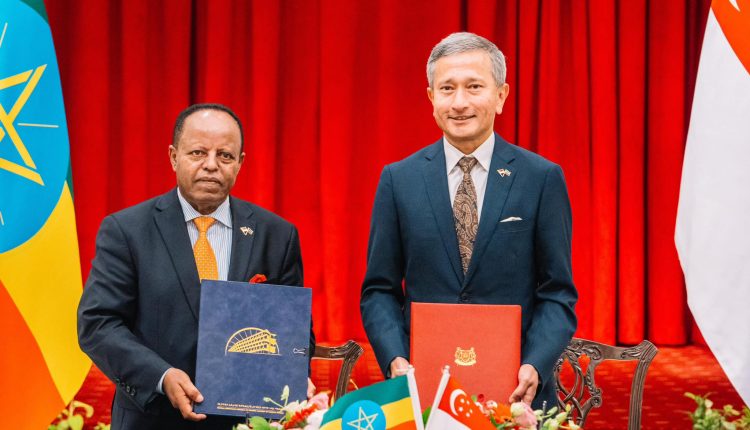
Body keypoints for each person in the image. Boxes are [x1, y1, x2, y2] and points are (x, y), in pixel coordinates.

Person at [360, 32, 577, 409]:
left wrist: (535, 364)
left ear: (501, 96)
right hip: (424, 391)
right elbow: (379, 289)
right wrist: (394, 357)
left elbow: (557, 292)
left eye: (474, 86)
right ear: (431, 98)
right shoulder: (399, 180)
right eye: (447, 88)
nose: (459, 102)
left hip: (516, 394)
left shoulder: (541, 178)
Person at [78, 103, 315, 429]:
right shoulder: (127, 230)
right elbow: (98, 324)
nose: (211, 165)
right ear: (174, 157)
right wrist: (162, 376)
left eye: (225, 156)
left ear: (240, 163)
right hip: (153, 419)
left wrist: (294, 371)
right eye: (198, 153)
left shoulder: (276, 235)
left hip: (246, 422)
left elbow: (295, 331)